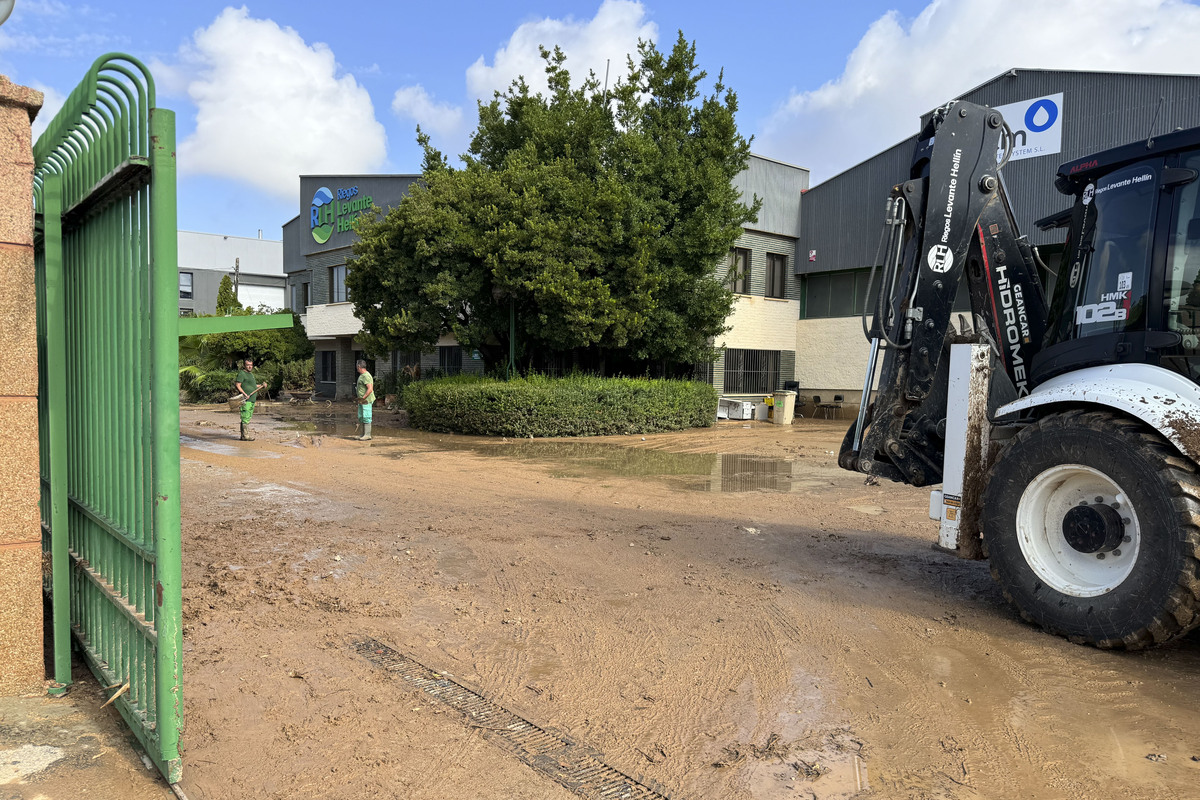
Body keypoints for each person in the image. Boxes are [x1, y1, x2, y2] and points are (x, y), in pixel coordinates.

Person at [234, 357, 267, 441]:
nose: (250, 367)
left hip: (252, 399)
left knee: (247, 417)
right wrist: (244, 394)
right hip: (246, 400)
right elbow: (238, 385)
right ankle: (245, 436)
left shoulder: (251, 375)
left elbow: (253, 386)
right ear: (244, 365)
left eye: (251, 365)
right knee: (245, 417)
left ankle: (243, 436)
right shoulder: (242, 373)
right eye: (248, 365)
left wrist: (261, 385)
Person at [355, 360, 375, 441]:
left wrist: (363, 398)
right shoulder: (362, 375)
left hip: (366, 400)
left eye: (357, 367)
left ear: (359, 367)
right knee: (361, 416)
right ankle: (362, 434)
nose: (356, 368)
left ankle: (367, 435)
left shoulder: (366, 376)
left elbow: (370, 389)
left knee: (366, 416)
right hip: (361, 400)